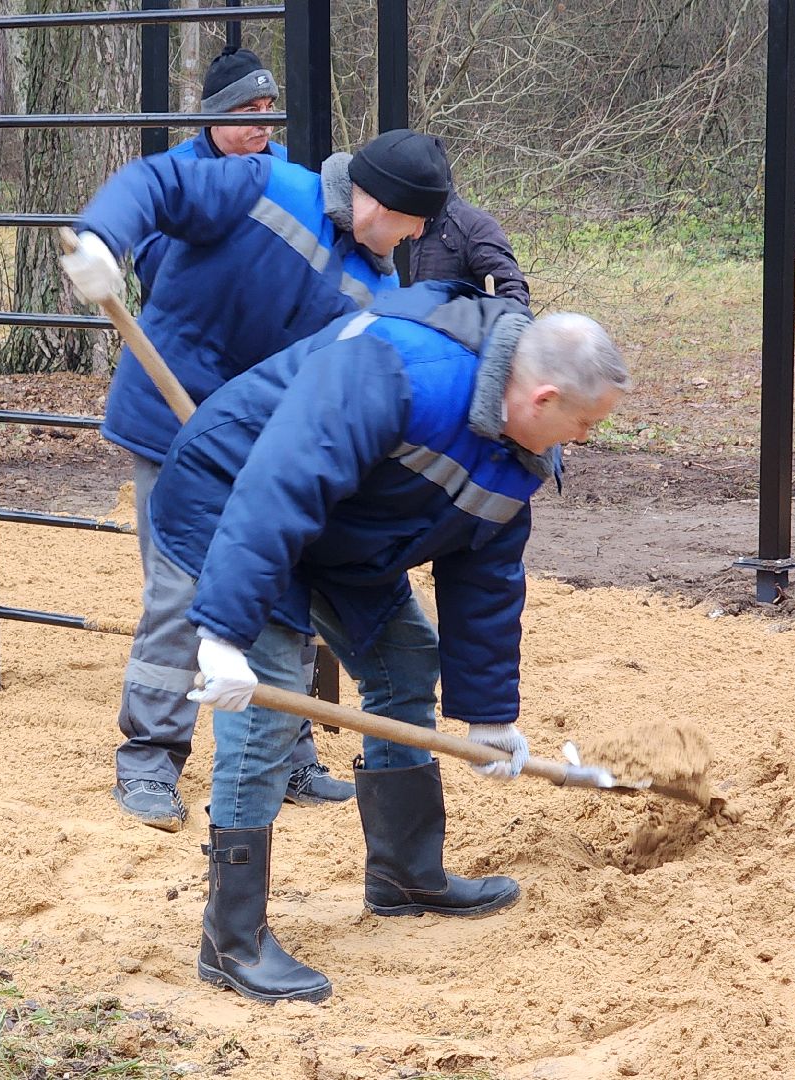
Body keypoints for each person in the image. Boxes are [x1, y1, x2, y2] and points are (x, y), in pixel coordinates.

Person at [148, 280, 629, 1003]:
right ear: (543, 398)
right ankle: (231, 939)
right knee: (270, 702)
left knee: (405, 658)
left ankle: (406, 873)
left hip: (343, 533)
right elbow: (281, 486)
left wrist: (491, 717)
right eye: (586, 423)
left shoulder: (520, 457)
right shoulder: (400, 370)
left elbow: (486, 580)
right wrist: (222, 633)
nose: (587, 440)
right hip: (235, 500)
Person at [62, 129, 454, 832]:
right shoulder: (263, 187)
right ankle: (149, 758)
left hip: (262, 443)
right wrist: (100, 240)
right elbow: (154, 184)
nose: (421, 234)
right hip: (170, 417)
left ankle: (289, 756)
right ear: (379, 200)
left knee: (283, 587)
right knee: (184, 592)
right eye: (415, 218)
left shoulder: (379, 283)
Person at [132, 45, 288, 299]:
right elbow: (149, 266)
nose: (265, 121)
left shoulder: (287, 162)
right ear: (217, 114)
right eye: (251, 110)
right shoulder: (174, 173)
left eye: (268, 107)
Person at [409, 193, 529, 306]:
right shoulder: (394, 220)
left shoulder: (475, 226)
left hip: (456, 327)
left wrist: (493, 321)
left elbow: (513, 292)